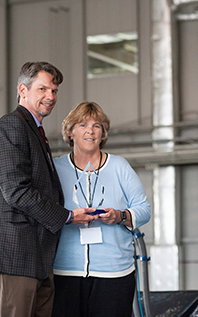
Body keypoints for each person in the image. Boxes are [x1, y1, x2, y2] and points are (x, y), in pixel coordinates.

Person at [0, 62, 98, 317]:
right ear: (23, 90)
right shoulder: (11, 126)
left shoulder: (34, 131)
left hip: (37, 257)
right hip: (15, 255)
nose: (50, 96)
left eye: (54, 91)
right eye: (42, 89)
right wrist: (67, 216)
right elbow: (17, 191)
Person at [51, 102, 151, 317]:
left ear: (103, 133)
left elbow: (144, 209)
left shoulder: (119, 166)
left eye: (97, 126)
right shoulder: (54, 168)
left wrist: (121, 216)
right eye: (83, 125)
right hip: (64, 270)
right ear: (70, 131)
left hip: (114, 273)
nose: (90, 131)